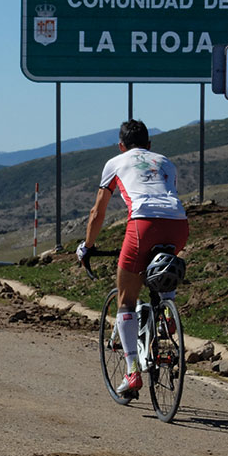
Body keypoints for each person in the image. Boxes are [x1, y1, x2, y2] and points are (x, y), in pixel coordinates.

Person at [76, 119, 189, 395]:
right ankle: (167, 309)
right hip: (179, 224)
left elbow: (97, 213)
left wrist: (87, 246)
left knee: (126, 300)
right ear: (149, 145)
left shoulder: (115, 162)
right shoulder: (166, 162)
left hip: (142, 224)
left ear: (121, 146)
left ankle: (132, 371)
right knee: (162, 266)